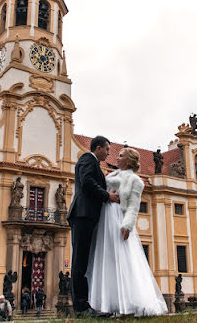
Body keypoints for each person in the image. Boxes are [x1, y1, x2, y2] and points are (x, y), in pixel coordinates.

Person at [87, 147, 168, 316]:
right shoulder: (110, 176)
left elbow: (133, 205)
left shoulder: (135, 180)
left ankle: (132, 302)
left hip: (118, 218)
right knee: (106, 257)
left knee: (123, 259)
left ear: (129, 161)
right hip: (104, 217)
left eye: (121, 156)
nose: (116, 158)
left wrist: (128, 225)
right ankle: (107, 303)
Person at [67, 135, 119, 317]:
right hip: (82, 214)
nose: (108, 153)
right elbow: (87, 182)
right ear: (98, 148)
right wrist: (107, 196)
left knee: (84, 261)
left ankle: (85, 303)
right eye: (107, 149)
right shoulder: (87, 159)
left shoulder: (94, 162)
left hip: (88, 216)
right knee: (79, 261)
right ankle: (80, 307)